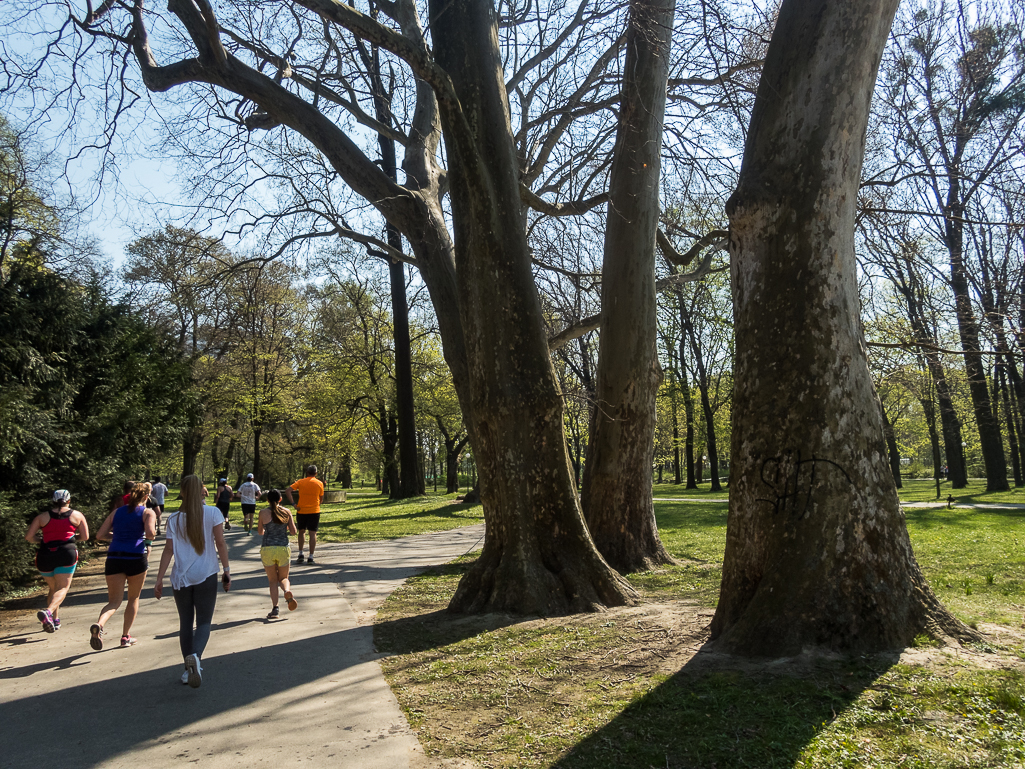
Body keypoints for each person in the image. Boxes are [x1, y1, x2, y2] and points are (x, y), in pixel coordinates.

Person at [155, 474, 231, 688]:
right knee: (204, 622)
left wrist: (159, 579)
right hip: (206, 574)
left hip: (181, 577)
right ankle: (196, 657)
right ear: (201, 491)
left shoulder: (173, 519)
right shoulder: (213, 513)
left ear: (182, 491)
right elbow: (221, 543)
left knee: (186, 624)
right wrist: (226, 570)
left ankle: (188, 671)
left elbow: (168, 550)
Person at [91, 482, 157, 650]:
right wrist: (149, 534)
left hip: (114, 557)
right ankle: (125, 636)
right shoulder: (147, 512)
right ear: (146, 497)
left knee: (113, 601)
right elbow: (150, 534)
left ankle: (99, 624)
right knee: (133, 598)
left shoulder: (116, 512)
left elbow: (100, 535)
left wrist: (117, 536)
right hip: (135, 557)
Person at [24, 490, 89, 633]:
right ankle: (48, 612)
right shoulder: (77, 515)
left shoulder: (42, 517)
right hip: (66, 553)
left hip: (45, 555)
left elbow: (29, 537)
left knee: (53, 589)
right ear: (69, 500)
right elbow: (85, 537)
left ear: (53, 501)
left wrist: (41, 540)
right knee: (62, 588)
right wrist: (71, 539)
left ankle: (55, 620)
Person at [258, 489, 299, 619]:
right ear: (280, 499)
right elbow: (293, 532)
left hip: (267, 549)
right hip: (283, 549)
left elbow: (260, 532)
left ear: (267, 500)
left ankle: (275, 609)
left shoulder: (263, 513)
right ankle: (287, 591)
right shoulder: (286, 512)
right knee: (284, 578)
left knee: (272, 581)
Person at [290, 465, 324, 564]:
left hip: (302, 510)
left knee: (301, 531)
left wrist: (294, 504)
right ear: (316, 473)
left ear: (307, 472)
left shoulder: (301, 482)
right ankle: (311, 557)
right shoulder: (319, 483)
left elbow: (288, 490)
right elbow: (321, 499)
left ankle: (300, 554)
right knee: (313, 533)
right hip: (314, 511)